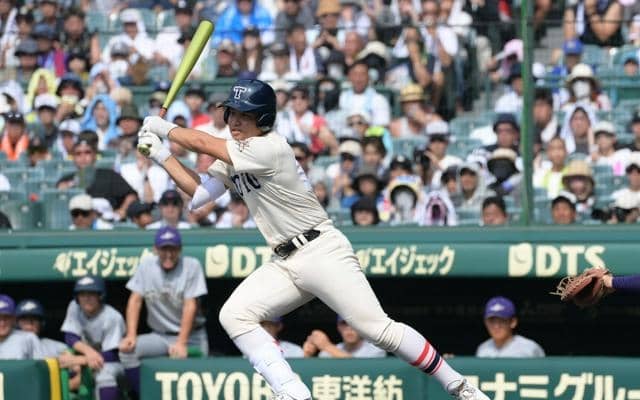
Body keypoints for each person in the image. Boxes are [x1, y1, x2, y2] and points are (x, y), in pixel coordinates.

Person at [136, 78, 490, 399]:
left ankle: (461, 387)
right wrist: (162, 155)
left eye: (244, 114)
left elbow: (202, 142)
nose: (235, 120)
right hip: (284, 260)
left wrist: (162, 127)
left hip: (321, 249)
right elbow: (199, 195)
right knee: (235, 314)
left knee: (379, 331)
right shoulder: (234, 153)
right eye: (232, 113)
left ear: (263, 118)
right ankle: (291, 392)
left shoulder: (269, 146)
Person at [119, 227, 208, 397]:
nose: (168, 254)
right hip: (160, 336)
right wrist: (131, 335)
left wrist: (181, 342)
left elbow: (190, 306)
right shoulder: (146, 266)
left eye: (172, 249)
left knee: (199, 380)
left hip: (191, 337)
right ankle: (145, 395)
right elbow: (135, 301)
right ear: (155, 249)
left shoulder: (191, 265)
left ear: (180, 249)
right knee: (127, 351)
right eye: (164, 249)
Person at [61, 276, 125, 400]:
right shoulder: (74, 307)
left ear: (100, 296)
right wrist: (88, 353)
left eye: (91, 294)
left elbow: (113, 354)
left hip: (116, 364)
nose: (86, 298)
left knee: (104, 375)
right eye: (82, 294)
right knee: (62, 358)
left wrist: (82, 360)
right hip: (90, 359)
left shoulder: (113, 317)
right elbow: (70, 336)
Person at [476, 296, 545, 358]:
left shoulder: (529, 348)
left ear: (513, 322)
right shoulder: (482, 349)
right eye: (492, 321)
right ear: (485, 322)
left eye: (502, 321)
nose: (496, 326)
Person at [303, 315, 386, 358]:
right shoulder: (327, 353)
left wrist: (327, 346)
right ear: (338, 327)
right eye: (344, 323)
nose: (349, 328)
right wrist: (307, 356)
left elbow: (363, 370)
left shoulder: (376, 350)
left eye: (354, 323)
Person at [0, 294, 43, 360]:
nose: (2, 323)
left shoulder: (29, 338)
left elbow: (40, 365)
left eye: (6, 318)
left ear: (14, 319)